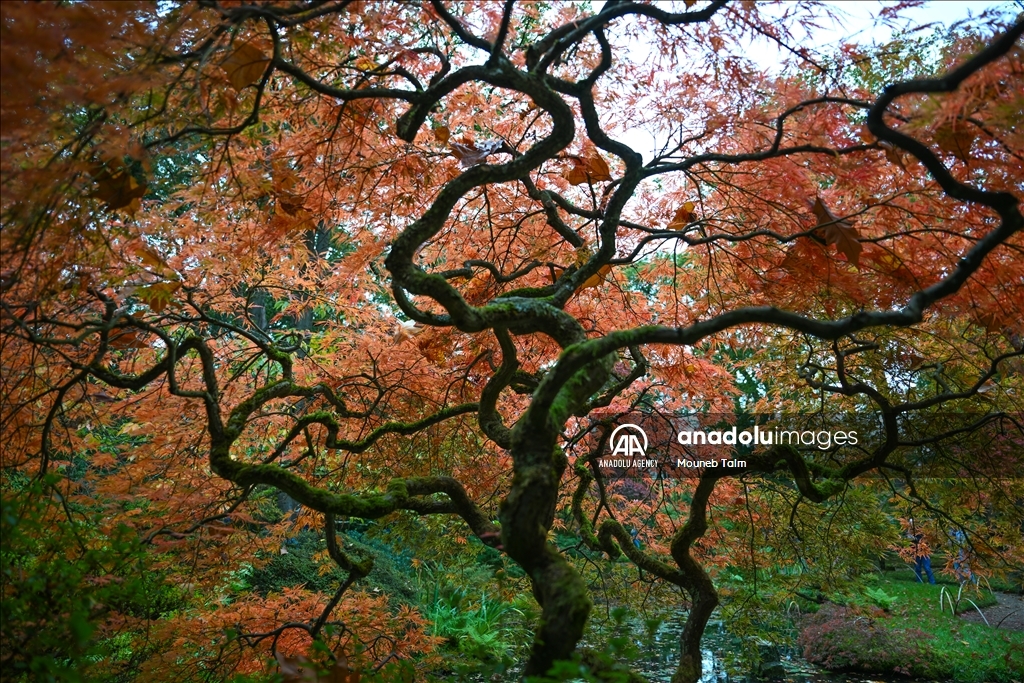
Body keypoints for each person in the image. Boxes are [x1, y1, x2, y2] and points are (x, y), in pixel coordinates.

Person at [909, 518, 936, 584]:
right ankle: (919, 582)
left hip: (924, 551)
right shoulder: (910, 531)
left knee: (927, 567)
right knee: (917, 568)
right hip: (915, 551)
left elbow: (927, 540)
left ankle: (932, 582)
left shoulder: (922, 531)